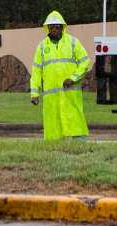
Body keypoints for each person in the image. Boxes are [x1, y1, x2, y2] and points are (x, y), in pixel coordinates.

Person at [30, 11, 91, 141]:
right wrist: (34, 93)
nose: (55, 29)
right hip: (51, 96)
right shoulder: (41, 47)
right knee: (53, 123)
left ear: (62, 27)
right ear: (48, 28)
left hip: (70, 93)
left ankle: (79, 143)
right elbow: (36, 71)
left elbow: (85, 61)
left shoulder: (73, 42)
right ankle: (54, 148)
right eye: (52, 27)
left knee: (74, 118)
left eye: (57, 26)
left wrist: (73, 78)